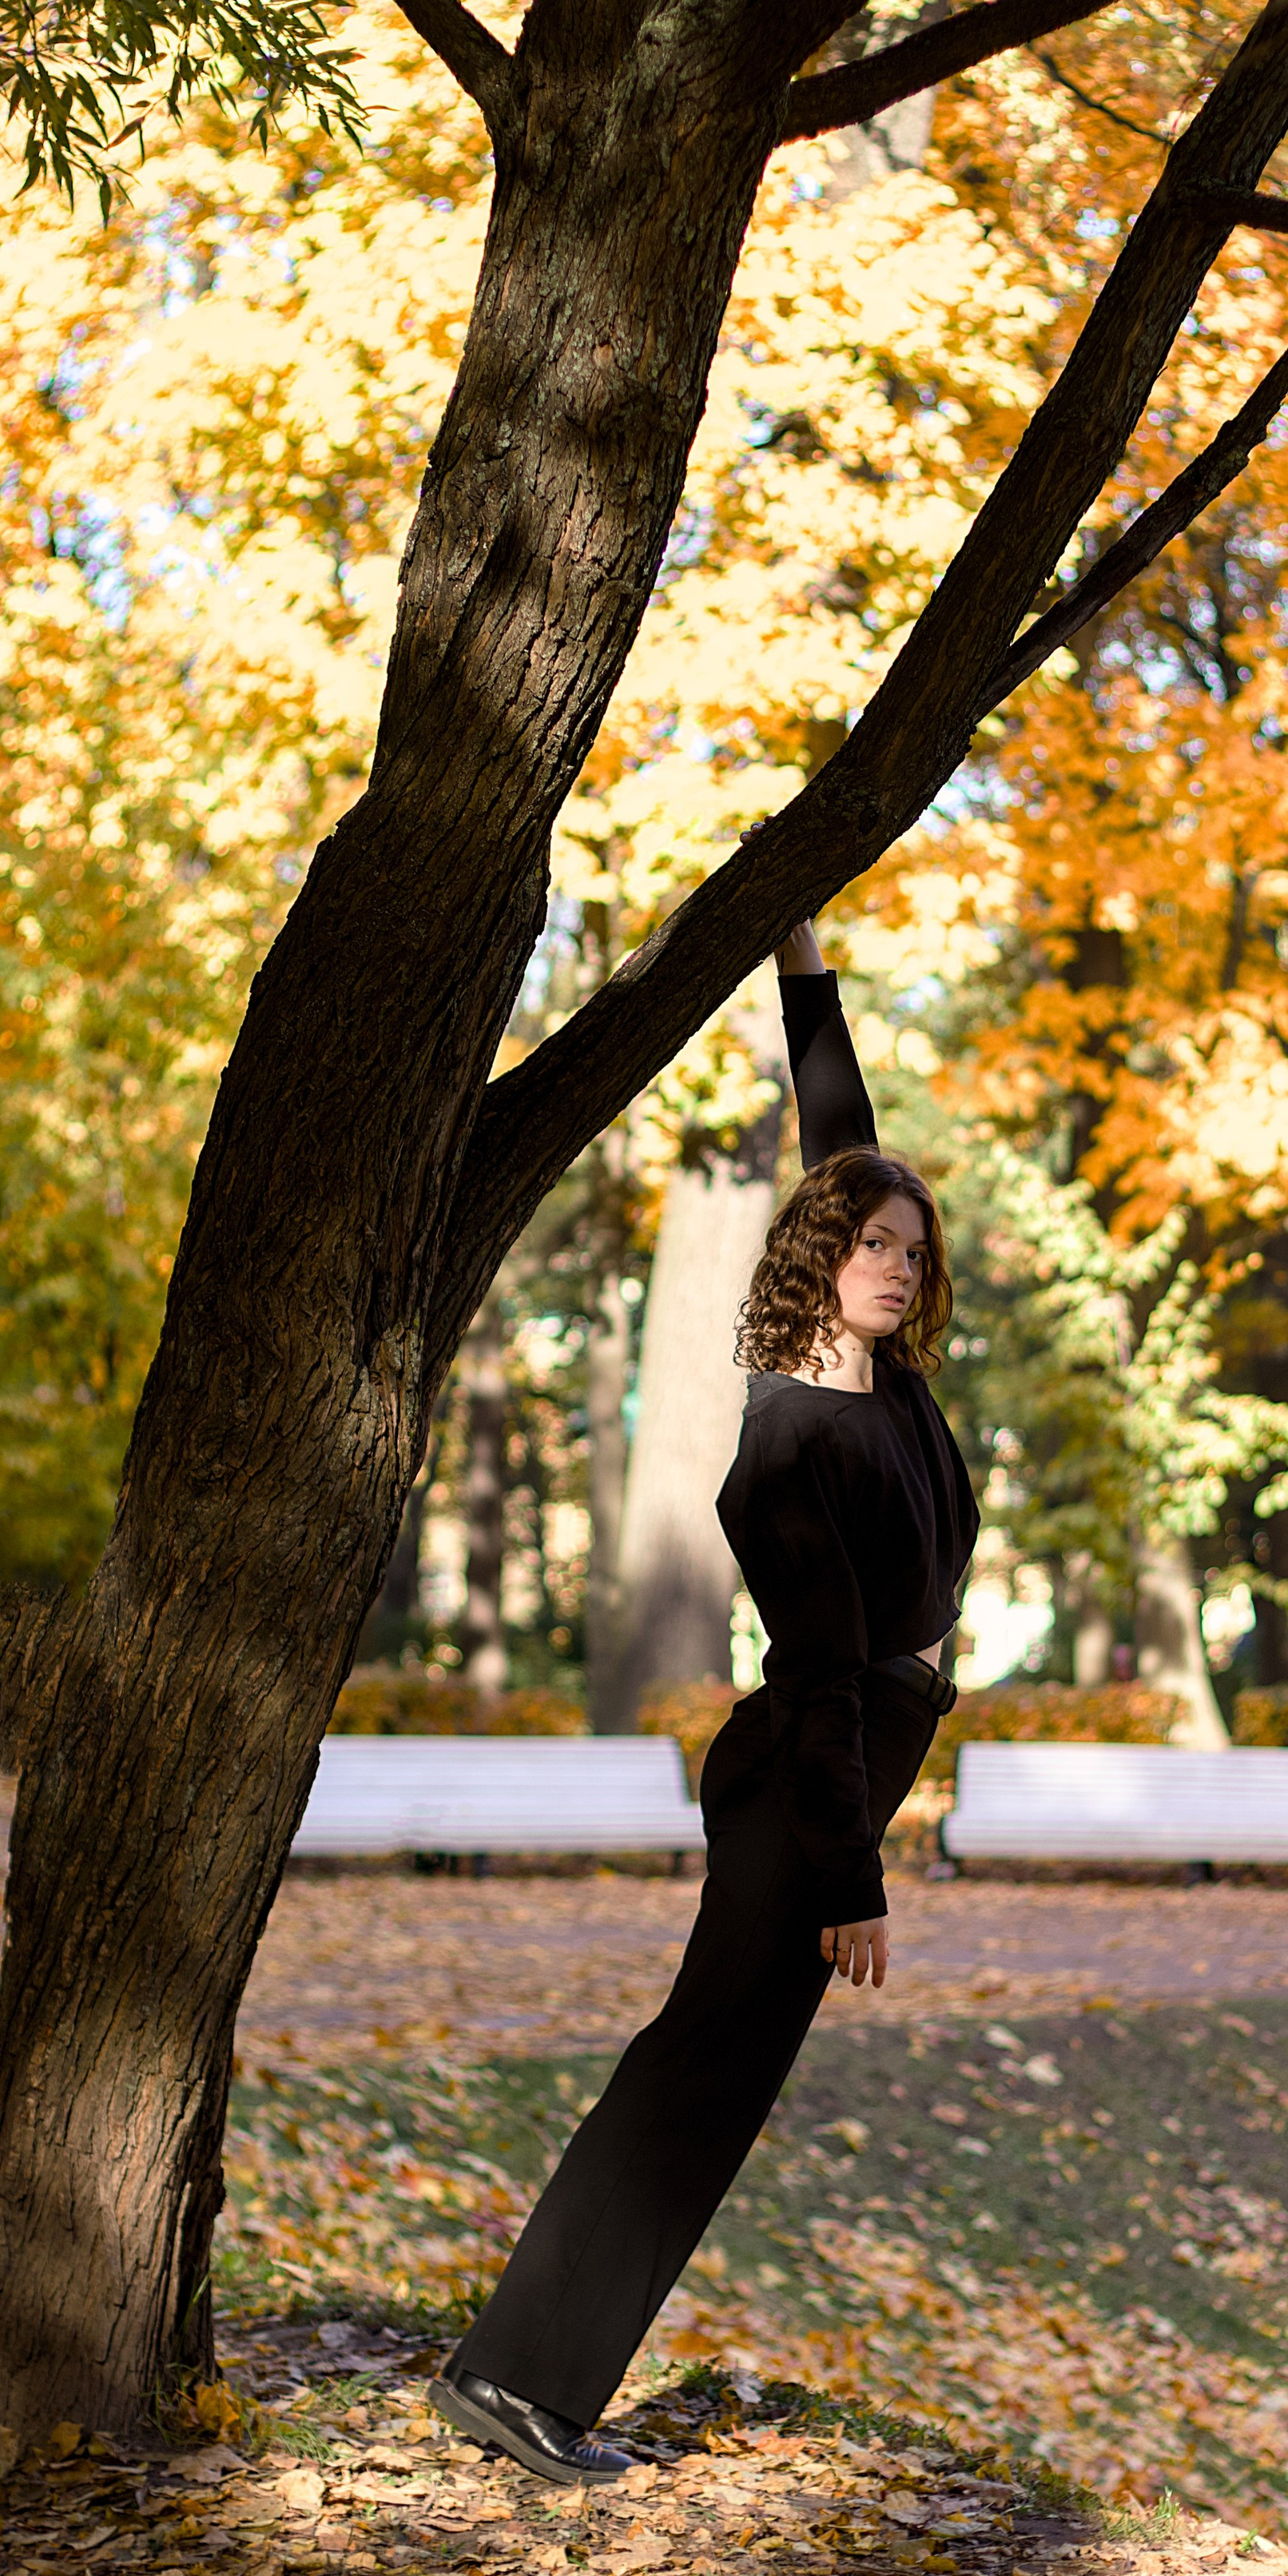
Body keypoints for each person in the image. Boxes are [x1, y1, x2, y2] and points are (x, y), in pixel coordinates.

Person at [428, 919, 979, 2485]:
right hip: (805, 1790)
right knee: (691, 2076)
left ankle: (530, 2378)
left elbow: (839, 1136)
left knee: (706, 2083)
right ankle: (519, 2382)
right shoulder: (791, 1439)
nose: (897, 1264)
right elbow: (809, 1683)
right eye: (872, 1244)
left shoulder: (898, 1397)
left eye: (912, 1249)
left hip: (847, 1771)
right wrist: (853, 1887)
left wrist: (804, 975)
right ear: (818, 1255)